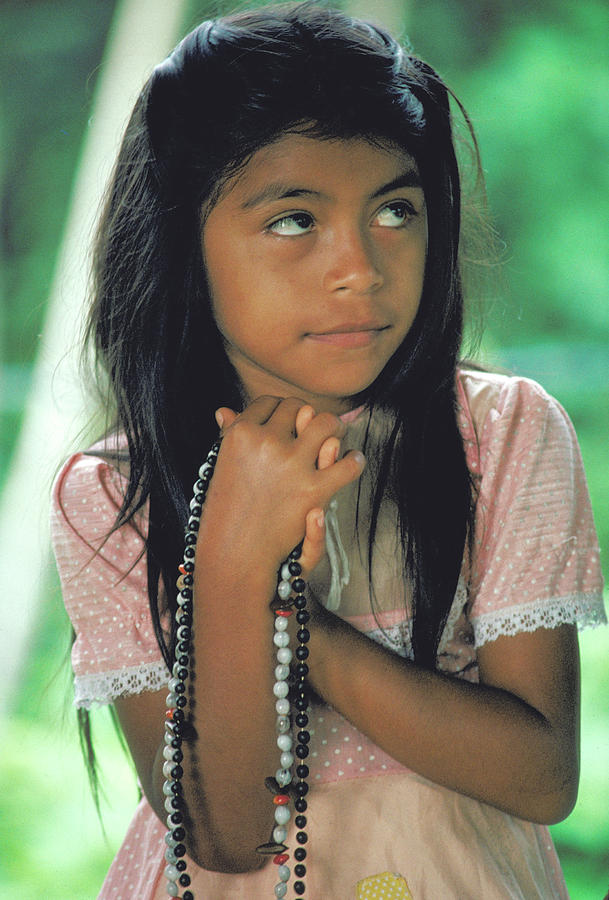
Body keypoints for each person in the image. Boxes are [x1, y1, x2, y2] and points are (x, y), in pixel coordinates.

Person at [50, 4, 606, 898]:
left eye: (394, 210)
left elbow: (540, 775)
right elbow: (224, 837)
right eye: (292, 220)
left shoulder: (499, 433)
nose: (360, 266)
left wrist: (295, 622)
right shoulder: (114, 492)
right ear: (181, 241)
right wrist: (228, 563)